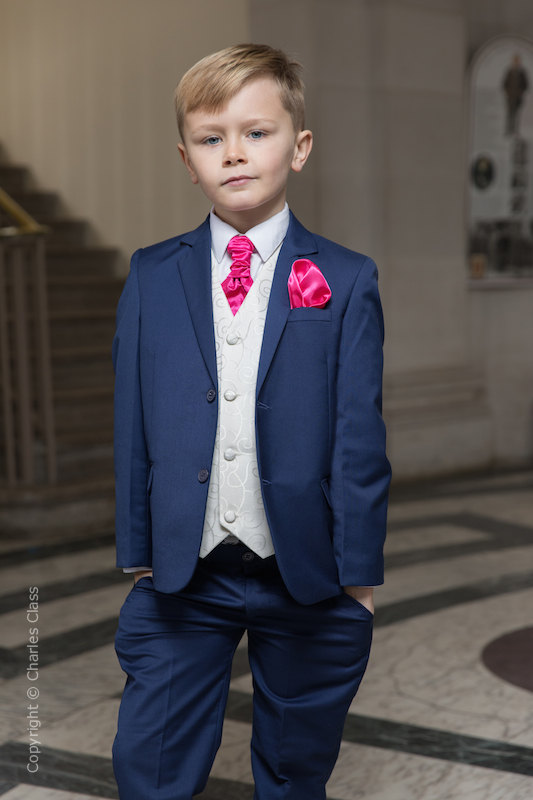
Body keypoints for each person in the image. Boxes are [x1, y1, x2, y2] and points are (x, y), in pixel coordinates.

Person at [112, 43, 391, 800]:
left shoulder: (344, 277)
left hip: (306, 571)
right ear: (186, 157)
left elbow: (358, 436)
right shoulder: (151, 273)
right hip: (183, 573)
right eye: (210, 139)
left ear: (298, 147)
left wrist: (357, 577)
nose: (233, 153)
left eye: (255, 132)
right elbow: (131, 420)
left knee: (294, 768)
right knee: (152, 765)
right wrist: (139, 546)